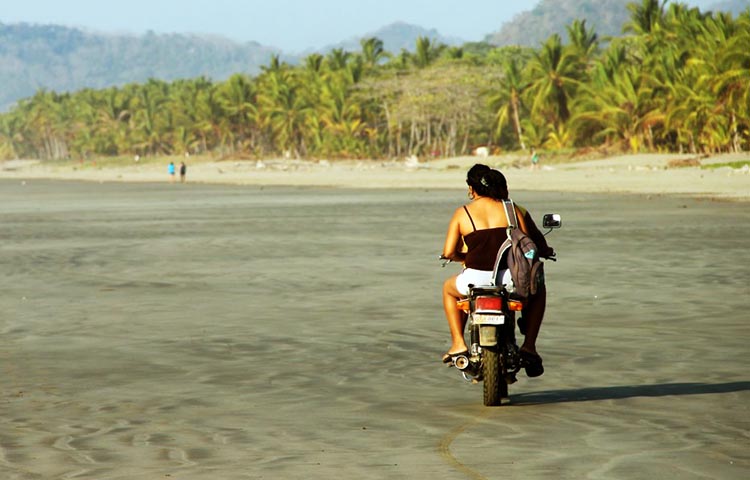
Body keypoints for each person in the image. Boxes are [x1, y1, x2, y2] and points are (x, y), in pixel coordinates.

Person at [440, 164, 553, 377]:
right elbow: (527, 245)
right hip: (510, 280)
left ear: (472, 189)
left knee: (448, 289)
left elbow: (448, 252)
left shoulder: (462, 213)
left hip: (474, 280)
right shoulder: (512, 209)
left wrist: (462, 258)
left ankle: (457, 343)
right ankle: (529, 346)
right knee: (538, 289)